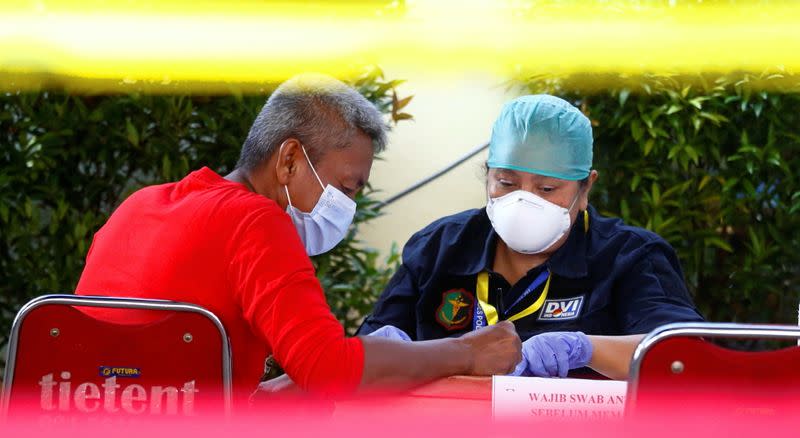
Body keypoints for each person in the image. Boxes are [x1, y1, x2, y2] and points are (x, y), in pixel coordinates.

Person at [75, 75, 521, 399]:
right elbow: (331, 370)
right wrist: (464, 352)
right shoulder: (254, 222)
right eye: (345, 189)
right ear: (289, 159)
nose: (346, 208)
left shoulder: (140, 204)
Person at [358, 94, 703, 380]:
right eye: (506, 184)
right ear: (488, 178)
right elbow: (368, 354)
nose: (523, 200)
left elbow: (681, 357)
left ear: (586, 190)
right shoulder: (439, 248)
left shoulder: (630, 256)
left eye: (547, 188)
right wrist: (386, 349)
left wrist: (586, 349)